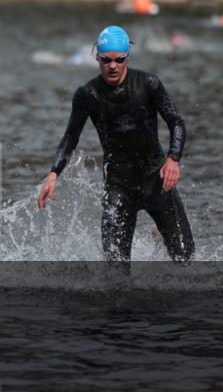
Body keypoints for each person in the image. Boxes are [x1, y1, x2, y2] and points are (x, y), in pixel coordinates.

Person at [37, 26, 194, 262]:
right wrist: (53, 173)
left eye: (119, 60)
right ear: (97, 58)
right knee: (115, 273)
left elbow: (176, 122)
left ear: (127, 58)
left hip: (156, 180)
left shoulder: (149, 84)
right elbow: (71, 136)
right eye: (106, 60)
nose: (113, 66)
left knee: (186, 258)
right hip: (118, 187)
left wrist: (173, 158)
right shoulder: (87, 94)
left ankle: (159, 233)